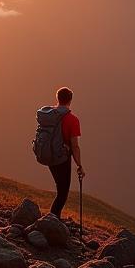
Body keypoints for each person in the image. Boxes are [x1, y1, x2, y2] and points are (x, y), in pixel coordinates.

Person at [49, 86, 85, 218]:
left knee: (60, 188)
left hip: (48, 154)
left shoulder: (49, 115)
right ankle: (52, 220)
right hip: (62, 158)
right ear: (70, 100)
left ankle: (54, 218)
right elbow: (75, 146)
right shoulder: (72, 119)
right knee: (63, 192)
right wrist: (79, 165)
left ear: (57, 98)